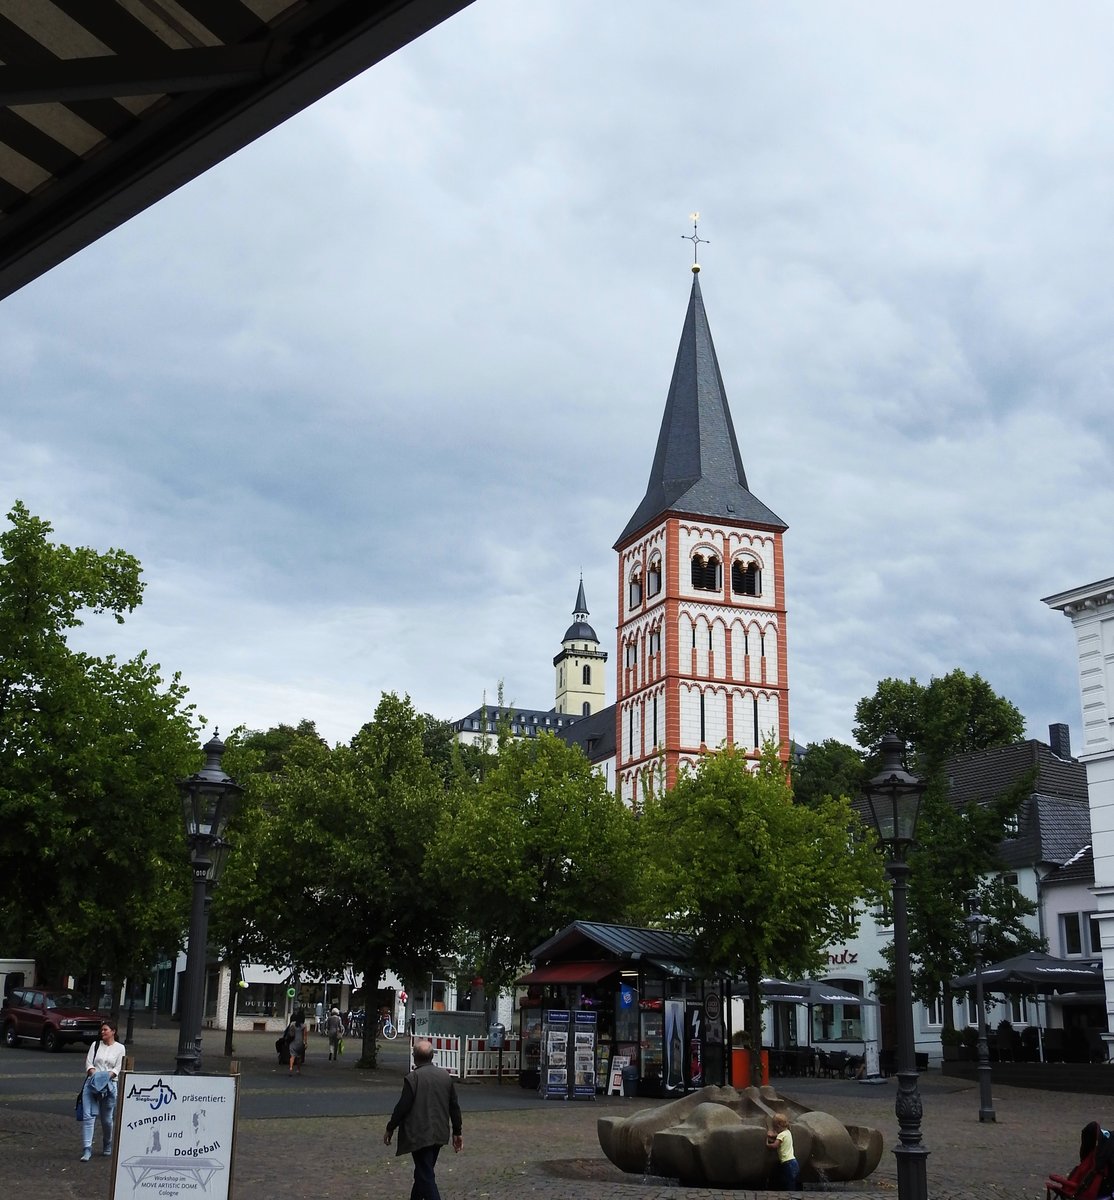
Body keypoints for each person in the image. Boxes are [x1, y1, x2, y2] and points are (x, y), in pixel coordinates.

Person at [383, 1037, 463, 1200]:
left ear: (414, 1056)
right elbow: (454, 1106)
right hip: (439, 1132)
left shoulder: (413, 1078)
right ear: (432, 1056)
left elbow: (402, 1107)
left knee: (425, 1174)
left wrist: (390, 1127)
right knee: (423, 1171)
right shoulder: (445, 1077)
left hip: (418, 1134)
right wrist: (457, 1131)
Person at [80, 1019, 126, 1161]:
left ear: (113, 1031)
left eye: (105, 1030)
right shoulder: (95, 1045)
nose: (102, 1032)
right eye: (102, 1030)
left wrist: (105, 1078)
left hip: (109, 1086)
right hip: (91, 1084)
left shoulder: (120, 1048)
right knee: (88, 1116)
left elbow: (118, 1067)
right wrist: (96, 1077)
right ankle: (87, 1149)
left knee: (106, 1119)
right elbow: (89, 1063)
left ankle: (107, 1143)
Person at [765, 1112, 800, 1190]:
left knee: (788, 1184)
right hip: (794, 1162)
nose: (775, 1130)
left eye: (775, 1128)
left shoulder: (781, 1135)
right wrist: (773, 1135)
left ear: (777, 1126)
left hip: (787, 1163)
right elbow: (779, 1136)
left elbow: (775, 1145)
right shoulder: (788, 1132)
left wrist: (767, 1144)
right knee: (791, 1183)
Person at [288, 1010, 307, 1075]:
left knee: (292, 1056)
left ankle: (291, 1068)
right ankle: (298, 1070)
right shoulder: (304, 1026)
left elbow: (290, 1033)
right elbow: (305, 1035)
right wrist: (305, 1043)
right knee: (299, 1057)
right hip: (300, 1043)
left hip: (293, 1042)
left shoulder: (293, 1024)